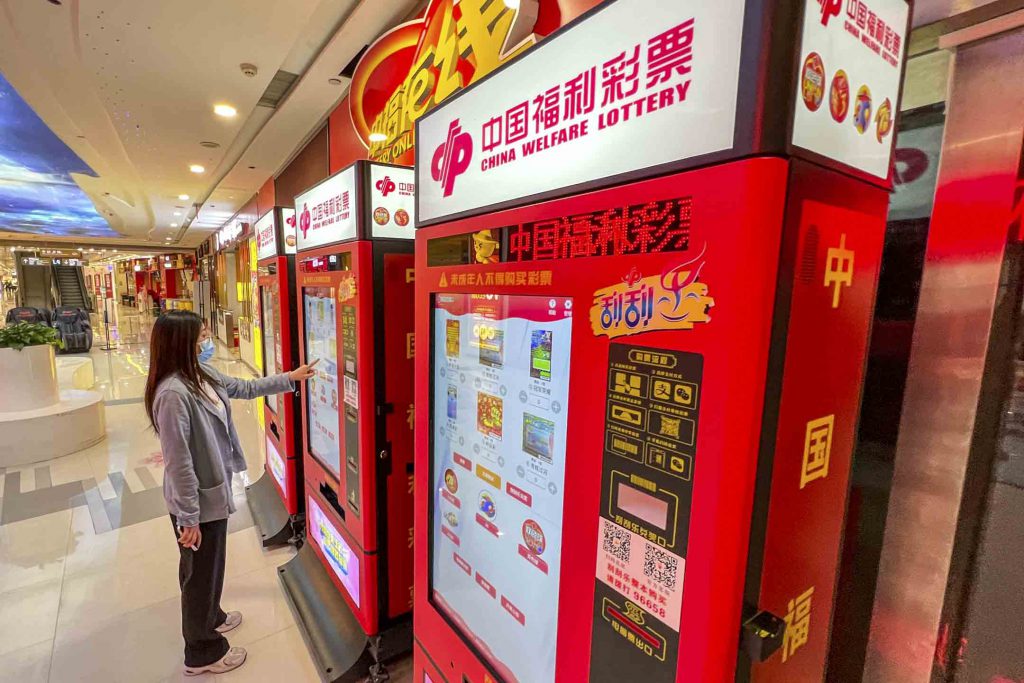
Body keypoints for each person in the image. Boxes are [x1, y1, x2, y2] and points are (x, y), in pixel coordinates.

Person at [143, 310, 317, 675]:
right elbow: (179, 462)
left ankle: (212, 616)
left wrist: (290, 378)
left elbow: (244, 388)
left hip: (213, 492)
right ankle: (202, 653)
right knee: (199, 574)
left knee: (209, 567)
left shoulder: (200, 374)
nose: (207, 340)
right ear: (183, 343)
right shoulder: (173, 394)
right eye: (202, 335)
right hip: (195, 503)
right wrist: (189, 518)